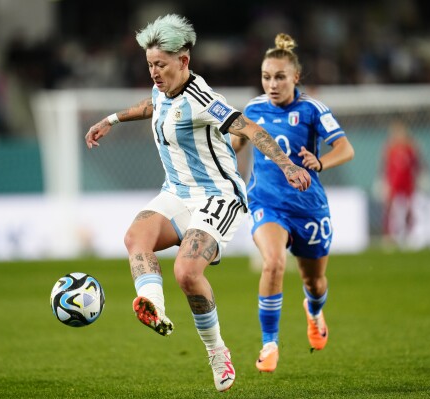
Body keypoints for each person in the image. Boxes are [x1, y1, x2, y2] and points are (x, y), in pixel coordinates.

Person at [84, 15, 311, 392]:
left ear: (184, 62)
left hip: (218, 197)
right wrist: (111, 119)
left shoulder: (204, 100)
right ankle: (152, 305)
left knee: (187, 273)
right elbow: (153, 104)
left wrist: (287, 165)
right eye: (150, 65)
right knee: (134, 237)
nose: (155, 72)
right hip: (176, 192)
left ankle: (217, 351)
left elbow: (250, 128)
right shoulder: (163, 88)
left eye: (161, 65)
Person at [232, 33, 355, 372]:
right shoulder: (254, 109)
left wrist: (320, 162)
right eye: (266, 76)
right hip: (266, 203)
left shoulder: (313, 109)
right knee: (273, 263)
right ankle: (269, 344)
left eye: (280, 77)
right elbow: (235, 145)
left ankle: (314, 311)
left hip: (308, 206)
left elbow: (345, 149)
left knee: (314, 283)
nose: (272, 84)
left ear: (295, 77)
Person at [377, 119, 429, 247]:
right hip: (393, 182)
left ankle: (409, 233)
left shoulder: (411, 147)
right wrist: (382, 181)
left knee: (410, 208)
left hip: (408, 182)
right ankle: (388, 236)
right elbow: (383, 166)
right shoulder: (389, 148)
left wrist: (423, 176)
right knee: (389, 209)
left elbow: (419, 163)